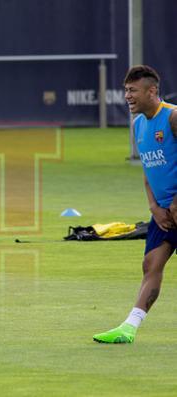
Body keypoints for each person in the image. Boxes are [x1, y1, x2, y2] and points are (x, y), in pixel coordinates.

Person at [93, 65, 177, 344]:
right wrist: (154, 206)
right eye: (126, 90)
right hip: (163, 213)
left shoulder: (173, 117)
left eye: (133, 90)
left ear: (152, 91)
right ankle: (129, 328)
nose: (127, 96)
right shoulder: (138, 124)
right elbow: (148, 170)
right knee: (151, 264)